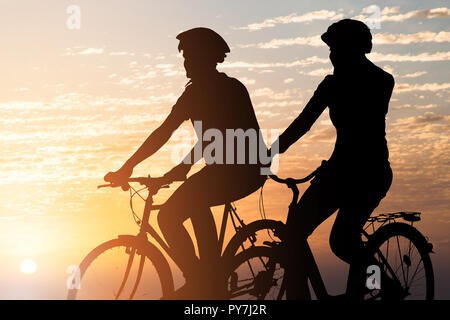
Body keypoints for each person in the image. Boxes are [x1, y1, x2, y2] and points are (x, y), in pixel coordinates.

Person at [104, 27, 266, 298]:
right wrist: (127, 166)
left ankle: (203, 279)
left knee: (171, 213)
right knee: (189, 198)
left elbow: (223, 135)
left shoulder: (230, 89)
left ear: (207, 60)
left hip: (247, 169)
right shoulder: (192, 94)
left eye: (191, 58)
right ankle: (209, 276)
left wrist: (183, 167)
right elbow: (163, 132)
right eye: (185, 59)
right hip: (221, 171)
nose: (186, 64)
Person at [271, 19, 395, 299]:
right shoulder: (331, 84)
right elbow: (303, 122)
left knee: (342, 243)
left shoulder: (380, 81)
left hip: (369, 173)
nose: (332, 56)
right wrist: (271, 151)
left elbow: (362, 122)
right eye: (331, 50)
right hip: (338, 172)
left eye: (337, 49)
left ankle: (381, 286)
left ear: (355, 49)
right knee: (293, 236)